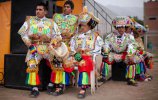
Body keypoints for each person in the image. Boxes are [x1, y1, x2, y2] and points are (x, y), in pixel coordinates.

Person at [18, 2, 61, 98]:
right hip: (34, 46)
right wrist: (29, 43)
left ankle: (52, 85)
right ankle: (34, 89)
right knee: (32, 64)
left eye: (40, 9)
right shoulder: (29, 21)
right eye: (37, 9)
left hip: (48, 47)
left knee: (58, 63)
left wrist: (52, 43)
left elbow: (58, 36)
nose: (38, 11)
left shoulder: (51, 22)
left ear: (45, 11)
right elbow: (22, 33)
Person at [70, 6, 104, 99]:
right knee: (61, 63)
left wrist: (89, 53)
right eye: (80, 25)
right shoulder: (75, 37)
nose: (81, 27)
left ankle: (83, 87)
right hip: (76, 56)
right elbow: (72, 49)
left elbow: (98, 49)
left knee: (84, 62)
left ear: (89, 25)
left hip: (89, 57)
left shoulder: (96, 37)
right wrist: (77, 53)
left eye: (83, 25)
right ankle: (60, 86)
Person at [47, 0, 78, 95]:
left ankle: (60, 85)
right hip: (57, 43)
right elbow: (52, 29)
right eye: (65, 6)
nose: (65, 8)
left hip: (69, 45)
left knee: (63, 61)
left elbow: (77, 32)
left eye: (68, 7)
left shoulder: (76, 18)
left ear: (72, 9)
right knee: (54, 59)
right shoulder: (57, 17)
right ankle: (54, 82)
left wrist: (70, 36)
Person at [102, 16, 140, 86]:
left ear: (125, 28)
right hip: (113, 53)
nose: (121, 29)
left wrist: (130, 54)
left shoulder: (129, 37)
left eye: (122, 27)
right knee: (105, 58)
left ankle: (131, 78)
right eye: (119, 27)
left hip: (125, 54)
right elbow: (106, 44)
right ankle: (103, 76)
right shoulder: (110, 36)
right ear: (116, 28)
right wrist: (106, 51)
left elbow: (132, 45)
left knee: (132, 59)